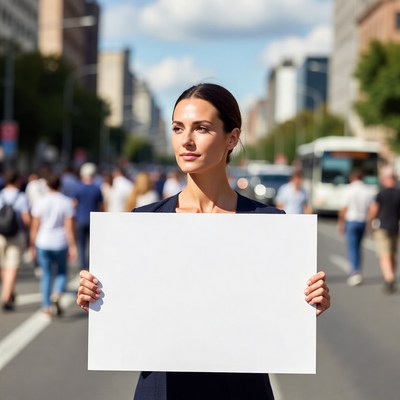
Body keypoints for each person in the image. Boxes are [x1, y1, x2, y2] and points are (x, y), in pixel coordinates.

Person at [77, 83, 331, 400]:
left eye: (202, 128)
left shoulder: (268, 224)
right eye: (178, 128)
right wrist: (99, 297)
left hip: (242, 390)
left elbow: (278, 322)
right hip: (162, 388)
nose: (186, 140)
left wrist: (307, 302)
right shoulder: (143, 223)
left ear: (232, 138)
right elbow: (129, 319)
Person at [30, 173, 77, 317]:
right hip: (60, 241)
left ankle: (46, 306)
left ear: (47, 185)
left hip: (43, 241)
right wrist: (73, 245)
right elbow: (69, 227)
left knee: (46, 274)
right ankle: (57, 293)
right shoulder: (66, 202)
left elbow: (35, 226)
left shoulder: (40, 201)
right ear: (60, 185)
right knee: (62, 272)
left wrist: (31, 245)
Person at [0, 170, 31, 311]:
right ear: (18, 181)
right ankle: (6, 296)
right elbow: (26, 219)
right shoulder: (21, 197)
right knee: (12, 266)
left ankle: (8, 291)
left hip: (1, 234)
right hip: (15, 234)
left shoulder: (1, 195)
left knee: (3, 265)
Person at [337, 169, 374, 286]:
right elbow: (371, 209)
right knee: (359, 247)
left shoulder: (349, 189)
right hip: (362, 221)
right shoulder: (367, 190)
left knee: (352, 247)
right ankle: (358, 270)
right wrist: (370, 222)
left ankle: (355, 272)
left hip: (351, 220)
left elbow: (343, 209)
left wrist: (341, 223)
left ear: (353, 178)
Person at [368, 166, 400, 294]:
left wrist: (370, 223)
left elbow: (374, 211)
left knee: (384, 255)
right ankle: (392, 275)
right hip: (395, 227)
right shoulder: (399, 193)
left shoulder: (381, 193)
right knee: (392, 254)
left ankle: (389, 278)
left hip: (382, 227)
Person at [73, 163, 104, 269]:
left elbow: (74, 204)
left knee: (81, 245)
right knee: (92, 245)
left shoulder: (78, 188)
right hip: (93, 220)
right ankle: (92, 265)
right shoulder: (97, 188)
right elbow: (101, 206)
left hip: (81, 219)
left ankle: (83, 267)